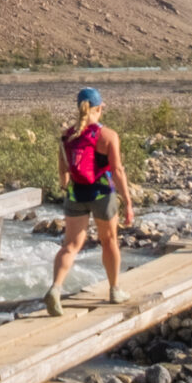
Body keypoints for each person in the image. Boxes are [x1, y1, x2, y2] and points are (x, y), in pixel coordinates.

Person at [44, 85, 135, 315]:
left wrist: (67, 187)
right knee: (109, 241)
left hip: (77, 194)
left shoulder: (67, 136)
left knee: (71, 245)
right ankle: (115, 290)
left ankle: (55, 288)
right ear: (98, 109)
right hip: (102, 194)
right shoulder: (108, 136)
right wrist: (128, 202)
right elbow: (117, 171)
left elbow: (63, 172)